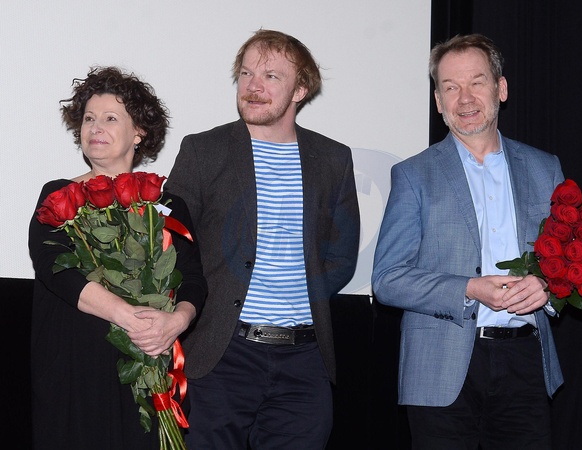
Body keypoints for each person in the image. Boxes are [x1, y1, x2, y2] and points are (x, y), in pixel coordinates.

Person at [164, 29, 360, 449]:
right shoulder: (203, 150)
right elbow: (173, 243)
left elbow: (341, 255)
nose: (253, 86)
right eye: (246, 73)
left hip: (304, 361)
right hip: (220, 354)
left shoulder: (333, 158)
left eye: (271, 76)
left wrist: (296, 295)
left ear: (300, 90)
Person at [371, 33, 565, 449]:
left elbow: (566, 261)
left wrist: (548, 286)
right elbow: (387, 280)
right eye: (450, 87)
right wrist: (468, 289)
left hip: (526, 363)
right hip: (439, 368)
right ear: (438, 102)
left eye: (477, 82)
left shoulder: (544, 168)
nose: (465, 98)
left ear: (501, 88)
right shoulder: (413, 175)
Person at [28, 66, 207, 450]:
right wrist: (130, 318)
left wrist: (175, 323)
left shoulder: (168, 205)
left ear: (139, 132)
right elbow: (54, 269)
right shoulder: (58, 196)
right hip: (76, 371)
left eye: (110, 118)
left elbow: (193, 279)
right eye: (89, 118)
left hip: (149, 367)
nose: (95, 127)